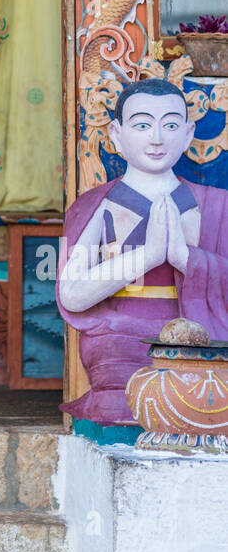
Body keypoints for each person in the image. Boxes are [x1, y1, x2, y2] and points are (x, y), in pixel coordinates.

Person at [57, 76, 228, 426]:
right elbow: (71, 294)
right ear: (117, 135)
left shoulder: (216, 205)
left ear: (188, 132)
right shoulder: (93, 206)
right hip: (118, 337)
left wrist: (184, 258)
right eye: (142, 125)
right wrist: (147, 255)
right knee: (122, 392)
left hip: (201, 337)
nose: (157, 138)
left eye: (169, 125)